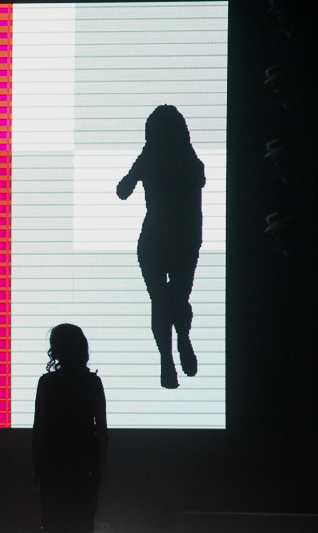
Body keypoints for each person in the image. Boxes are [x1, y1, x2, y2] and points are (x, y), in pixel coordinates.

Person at [117, 104, 205, 389]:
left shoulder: (151, 156)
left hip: (155, 238)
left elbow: (122, 190)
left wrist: (144, 161)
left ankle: (167, 361)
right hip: (185, 240)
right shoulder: (190, 160)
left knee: (160, 301)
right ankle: (181, 341)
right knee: (177, 298)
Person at [32, 324, 107, 533]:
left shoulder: (48, 383)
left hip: (54, 468)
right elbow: (101, 429)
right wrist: (99, 469)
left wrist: (37, 469)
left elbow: (40, 428)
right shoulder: (92, 382)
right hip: (84, 469)